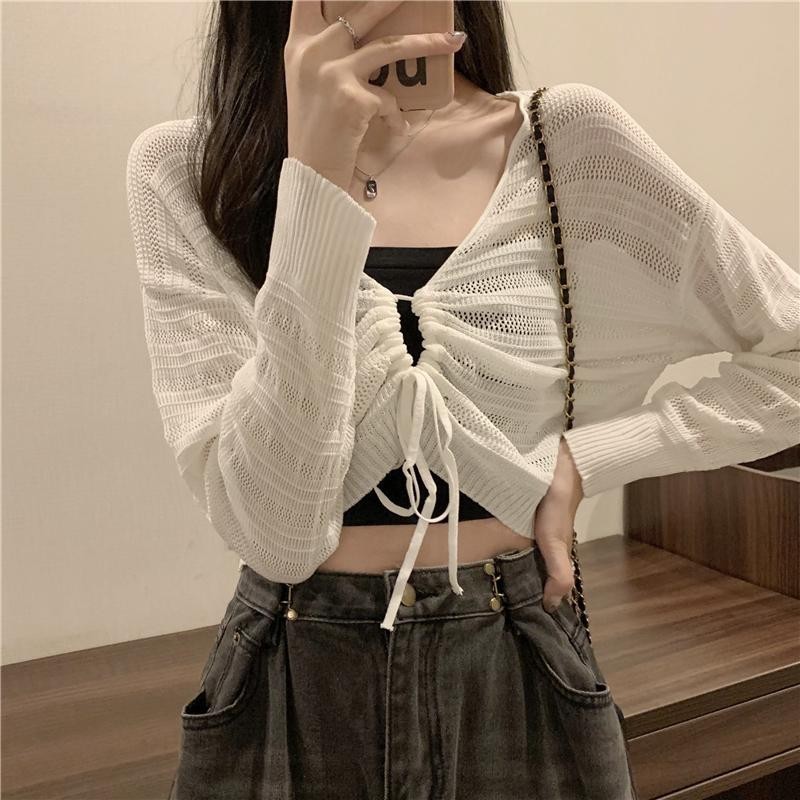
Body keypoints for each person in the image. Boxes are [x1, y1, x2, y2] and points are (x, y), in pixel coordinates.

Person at [125, 2, 798, 799]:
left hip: (516, 653)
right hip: (291, 671)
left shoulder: (565, 145)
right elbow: (276, 533)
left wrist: (585, 460)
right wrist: (314, 182)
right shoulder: (188, 172)